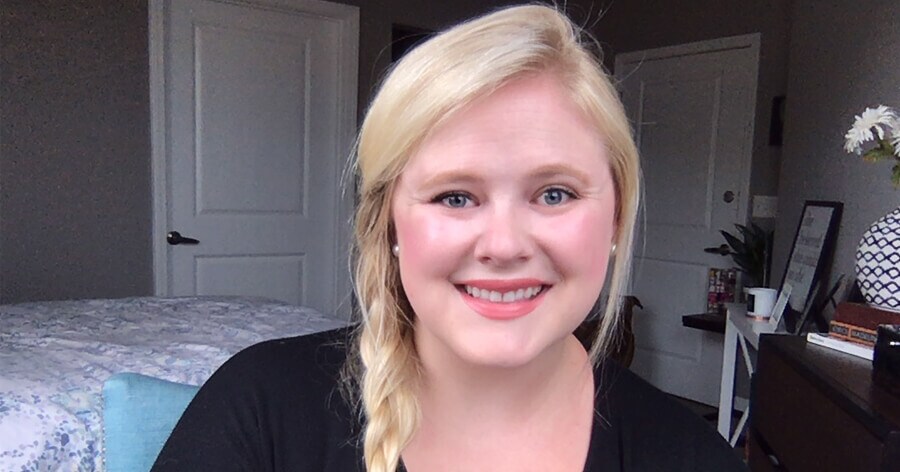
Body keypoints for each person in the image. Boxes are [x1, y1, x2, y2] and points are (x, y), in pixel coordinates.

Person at [152, 4, 747, 471]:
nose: (504, 245)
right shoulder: (259, 410)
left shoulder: (691, 457)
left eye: (555, 193)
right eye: (454, 197)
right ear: (388, 224)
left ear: (615, 219)